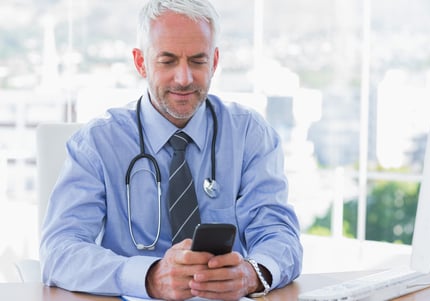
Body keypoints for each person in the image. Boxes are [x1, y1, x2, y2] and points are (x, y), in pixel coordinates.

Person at [39, 0, 302, 300]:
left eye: (197, 60)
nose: (184, 78)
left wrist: (252, 275)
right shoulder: (98, 144)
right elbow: (59, 251)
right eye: (167, 60)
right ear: (141, 62)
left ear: (214, 61)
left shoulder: (249, 134)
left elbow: (280, 235)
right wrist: (149, 277)